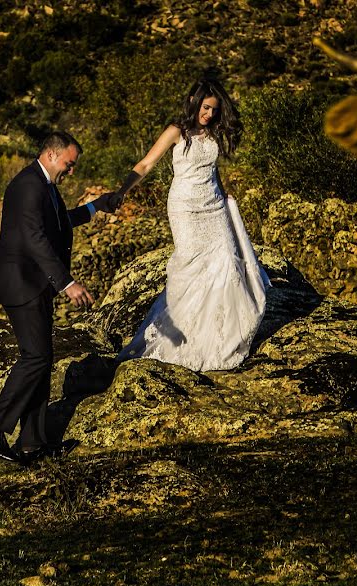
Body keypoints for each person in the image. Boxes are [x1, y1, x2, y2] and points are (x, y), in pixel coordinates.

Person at [0, 132, 119, 465]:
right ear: (53, 155)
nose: (71, 172)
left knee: (42, 358)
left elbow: (59, 223)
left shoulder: (45, 187)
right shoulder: (28, 186)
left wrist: (95, 207)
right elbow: (36, 239)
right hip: (21, 284)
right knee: (36, 357)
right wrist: (67, 283)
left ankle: (33, 443)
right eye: (69, 165)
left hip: (34, 284)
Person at [111, 75, 269, 372]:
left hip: (213, 205)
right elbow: (146, 164)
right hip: (184, 206)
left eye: (214, 110)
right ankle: (185, 338)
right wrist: (122, 190)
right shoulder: (176, 131)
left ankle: (221, 338)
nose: (209, 115)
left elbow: (212, 170)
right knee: (191, 267)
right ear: (195, 103)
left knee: (226, 262)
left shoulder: (213, 136)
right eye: (206, 108)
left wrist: (224, 196)